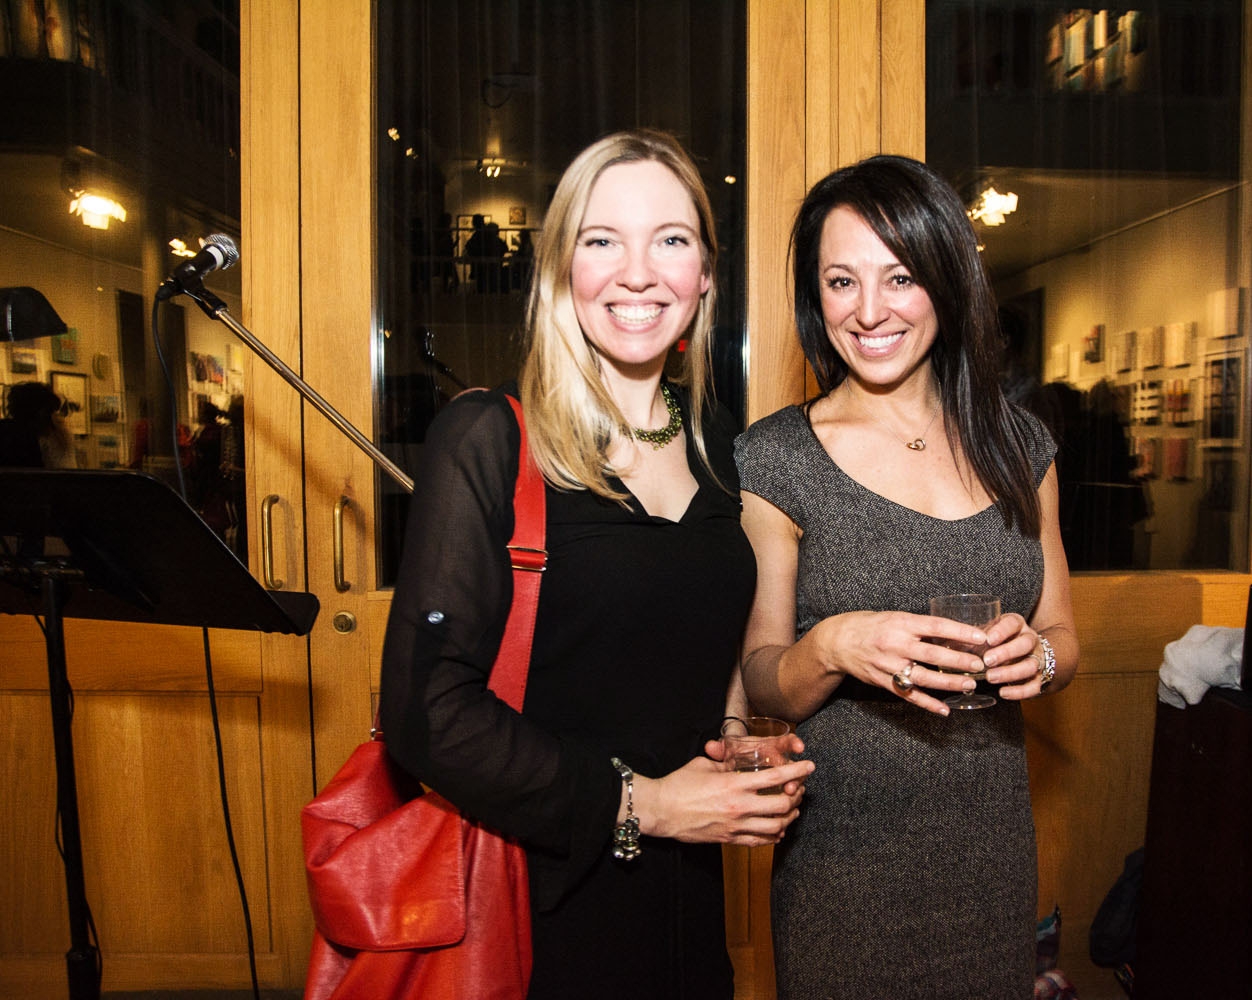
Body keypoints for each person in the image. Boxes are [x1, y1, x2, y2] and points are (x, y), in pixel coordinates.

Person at [380, 129, 813, 1000]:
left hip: (687, 905)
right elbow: (424, 712)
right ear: (559, 272)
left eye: (672, 240)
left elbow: (697, 644)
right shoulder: (490, 441)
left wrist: (732, 744)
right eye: (602, 240)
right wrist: (648, 806)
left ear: (705, 278)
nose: (639, 271)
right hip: (534, 904)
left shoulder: (722, 447)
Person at [734, 154, 1080, 998]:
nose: (871, 310)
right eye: (841, 281)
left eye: (899, 277)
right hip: (842, 858)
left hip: (990, 847)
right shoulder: (777, 458)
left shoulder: (1020, 444)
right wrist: (837, 643)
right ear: (815, 298)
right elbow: (759, 681)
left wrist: (1030, 658)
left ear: (946, 282)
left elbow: (1066, 641)